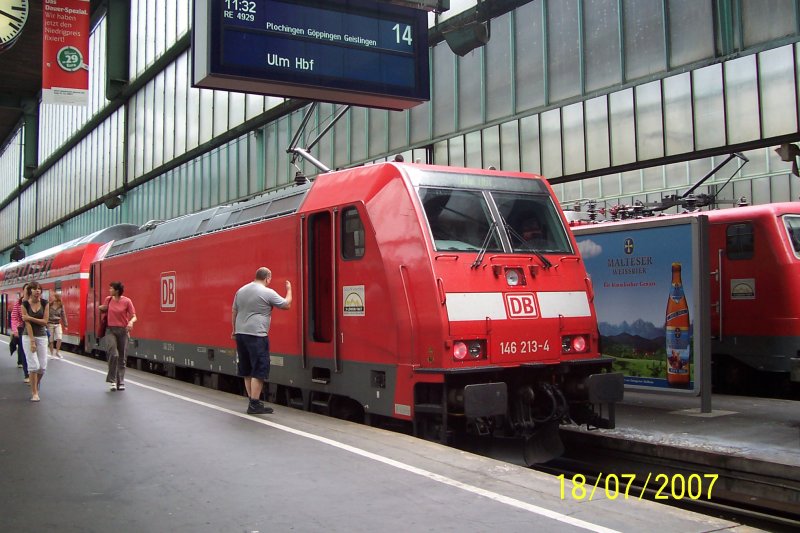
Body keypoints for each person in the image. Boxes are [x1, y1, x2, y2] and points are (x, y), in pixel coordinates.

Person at [232, 267, 292, 415]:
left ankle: (252, 401)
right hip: (257, 335)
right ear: (267, 278)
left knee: (246, 369)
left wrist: (234, 330)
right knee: (259, 370)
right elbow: (286, 305)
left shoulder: (241, 291)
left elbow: (234, 311)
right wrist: (289, 290)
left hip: (240, 334)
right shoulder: (267, 292)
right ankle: (254, 404)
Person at [99, 281, 137, 391]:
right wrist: (101, 308)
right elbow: (103, 310)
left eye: (111, 288)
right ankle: (112, 381)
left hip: (123, 331)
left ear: (117, 290)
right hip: (110, 330)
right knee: (113, 354)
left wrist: (131, 322)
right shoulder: (108, 299)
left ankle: (121, 381)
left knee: (122, 358)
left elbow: (134, 316)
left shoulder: (127, 301)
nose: (109, 290)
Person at [20, 282, 49, 402]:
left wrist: (30, 318)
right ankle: (34, 393)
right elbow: (27, 324)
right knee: (34, 366)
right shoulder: (25, 304)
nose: (37, 291)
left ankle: (34, 384)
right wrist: (32, 341)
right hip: (28, 336)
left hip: (42, 336)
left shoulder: (45, 303)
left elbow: (45, 321)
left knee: (42, 367)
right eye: (35, 289)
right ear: (30, 291)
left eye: (39, 289)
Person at [10, 284, 30, 383]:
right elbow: (14, 318)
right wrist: (15, 330)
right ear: (24, 291)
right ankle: (27, 374)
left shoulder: (37, 302)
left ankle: (34, 373)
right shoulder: (18, 303)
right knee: (24, 351)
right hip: (22, 329)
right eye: (27, 289)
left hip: (35, 330)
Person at [47, 292, 69, 359]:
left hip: (57, 323)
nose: (60, 298)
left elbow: (63, 314)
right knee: (51, 340)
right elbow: (46, 314)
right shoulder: (49, 305)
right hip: (50, 323)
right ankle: (51, 353)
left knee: (59, 338)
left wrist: (66, 325)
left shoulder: (61, 305)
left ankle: (57, 352)